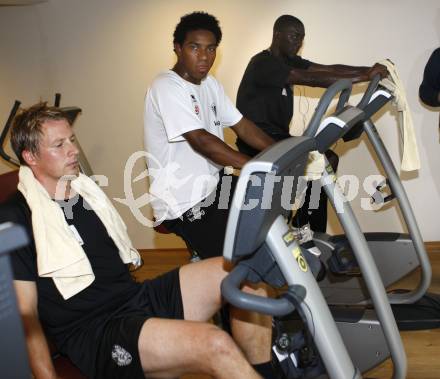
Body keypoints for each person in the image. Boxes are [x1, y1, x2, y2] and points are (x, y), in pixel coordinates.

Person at [1, 103, 275, 379]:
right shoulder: (17, 217)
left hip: (133, 298)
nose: (73, 150)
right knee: (215, 343)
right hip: (95, 330)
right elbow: (26, 317)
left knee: (246, 274)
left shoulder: (85, 191)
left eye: (71, 139)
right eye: (59, 145)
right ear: (30, 157)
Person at [236, 14, 388, 234]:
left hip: (277, 137)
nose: (298, 43)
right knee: (325, 161)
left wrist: (367, 71)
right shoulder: (263, 63)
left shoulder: (287, 61)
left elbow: (326, 69)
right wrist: (365, 75)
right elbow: (310, 78)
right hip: (257, 139)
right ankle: (306, 229)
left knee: (326, 161)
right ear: (277, 35)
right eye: (294, 36)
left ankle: (306, 228)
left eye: (301, 38)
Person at [144, 12, 274, 260]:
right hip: (184, 200)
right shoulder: (166, 85)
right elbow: (201, 141)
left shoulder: (209, 84)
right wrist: (257, 165)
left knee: (271, 201)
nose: (204, 56)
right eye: (195, 47)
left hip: (215, 185)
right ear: (178, 48)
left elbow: (244, 127)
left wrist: (283, 151)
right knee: (232, 264)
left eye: (210, 49)